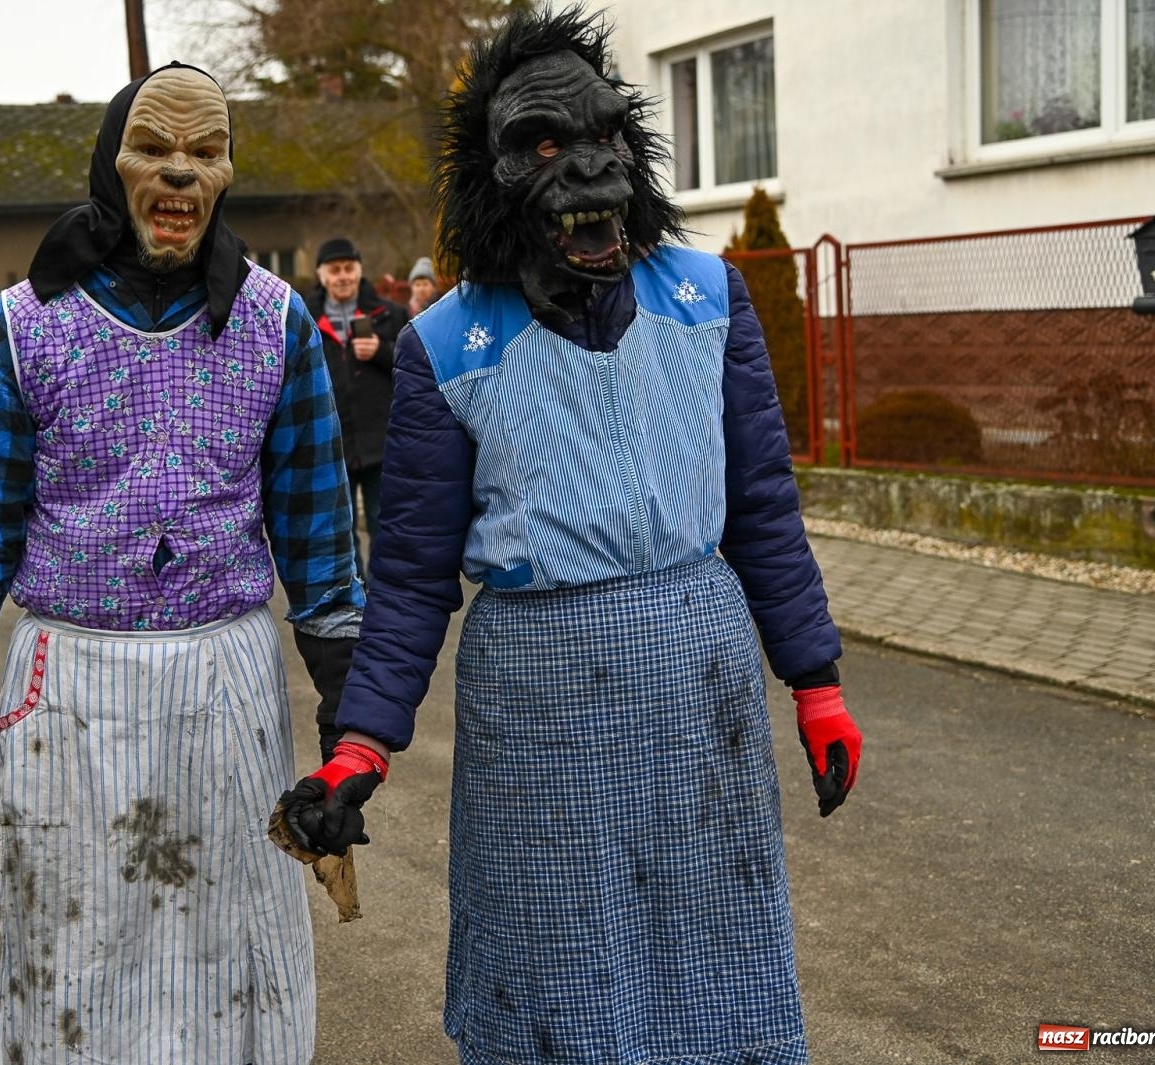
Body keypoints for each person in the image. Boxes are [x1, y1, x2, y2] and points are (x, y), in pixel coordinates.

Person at [278, 9, 863, 1065]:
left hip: (702, 679)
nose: (583, 168)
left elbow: (763, 509)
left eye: (600, 137)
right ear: (491, 174)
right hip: (538, 701)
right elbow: (411, 575)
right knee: (560, 962)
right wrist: (360, 746)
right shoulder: (443, 345)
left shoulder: (708, 299)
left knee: (713, 955)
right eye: (542, 144)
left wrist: (813, 683)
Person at [0, 63, 365, 1065]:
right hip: (69, 691)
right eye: (153, 148)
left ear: (228, 170)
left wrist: (352, 728)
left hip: (226, 686)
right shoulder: (23, 327)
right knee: (74, 964)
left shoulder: (276, 323)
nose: (179, 174)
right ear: (112, 163)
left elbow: (320, 543)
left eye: (205, 151)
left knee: (232, 970)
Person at [301, 238, 404, 577]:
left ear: (359, 271)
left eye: (349, 268)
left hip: (381, 443)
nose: (342, 276)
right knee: (342, 528)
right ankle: (355, 595)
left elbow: (416, 371)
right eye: (335, 269)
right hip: (332, 444)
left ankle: (384, 593)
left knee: (382, 522)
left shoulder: (389, 314)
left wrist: (381, 351)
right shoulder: (303, 319)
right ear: (321, 274)